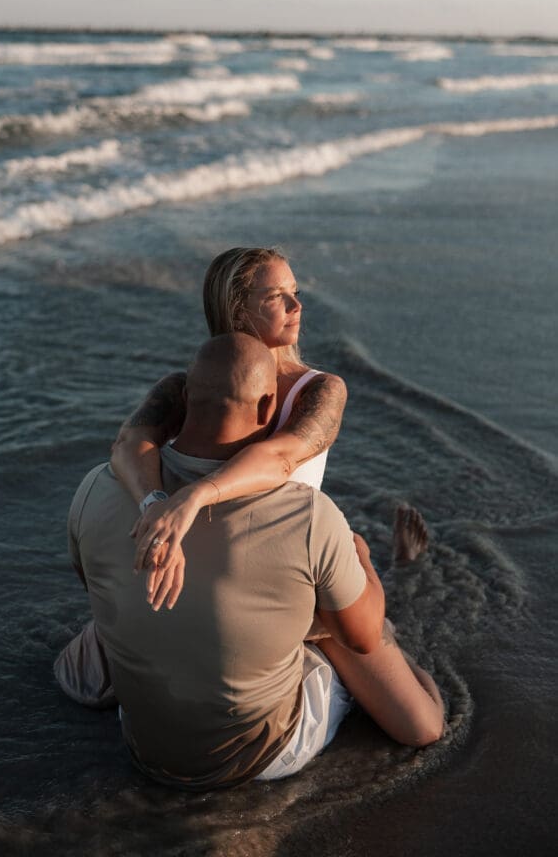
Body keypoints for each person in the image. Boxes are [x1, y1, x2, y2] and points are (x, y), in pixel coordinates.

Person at [58, 334, 443, 789]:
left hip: (144, 742)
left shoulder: (96, 489)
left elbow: (92, 587)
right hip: (258, 753)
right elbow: (361, 637)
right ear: (266, 410)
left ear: (185, 399)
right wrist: (361, 558)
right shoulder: (308, 516)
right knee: (347, 629)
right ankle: (394, 579)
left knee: (142, 601)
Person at [112, 246, 349, 610]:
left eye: (295, 293)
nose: (296, 306)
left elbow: (281, 458)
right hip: (211, 557)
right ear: (238, 310)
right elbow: (129, 442)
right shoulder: (189, 385)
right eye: (275, 296)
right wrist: (155, 503)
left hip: (290, 554)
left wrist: (192, 499)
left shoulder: (319, 391)